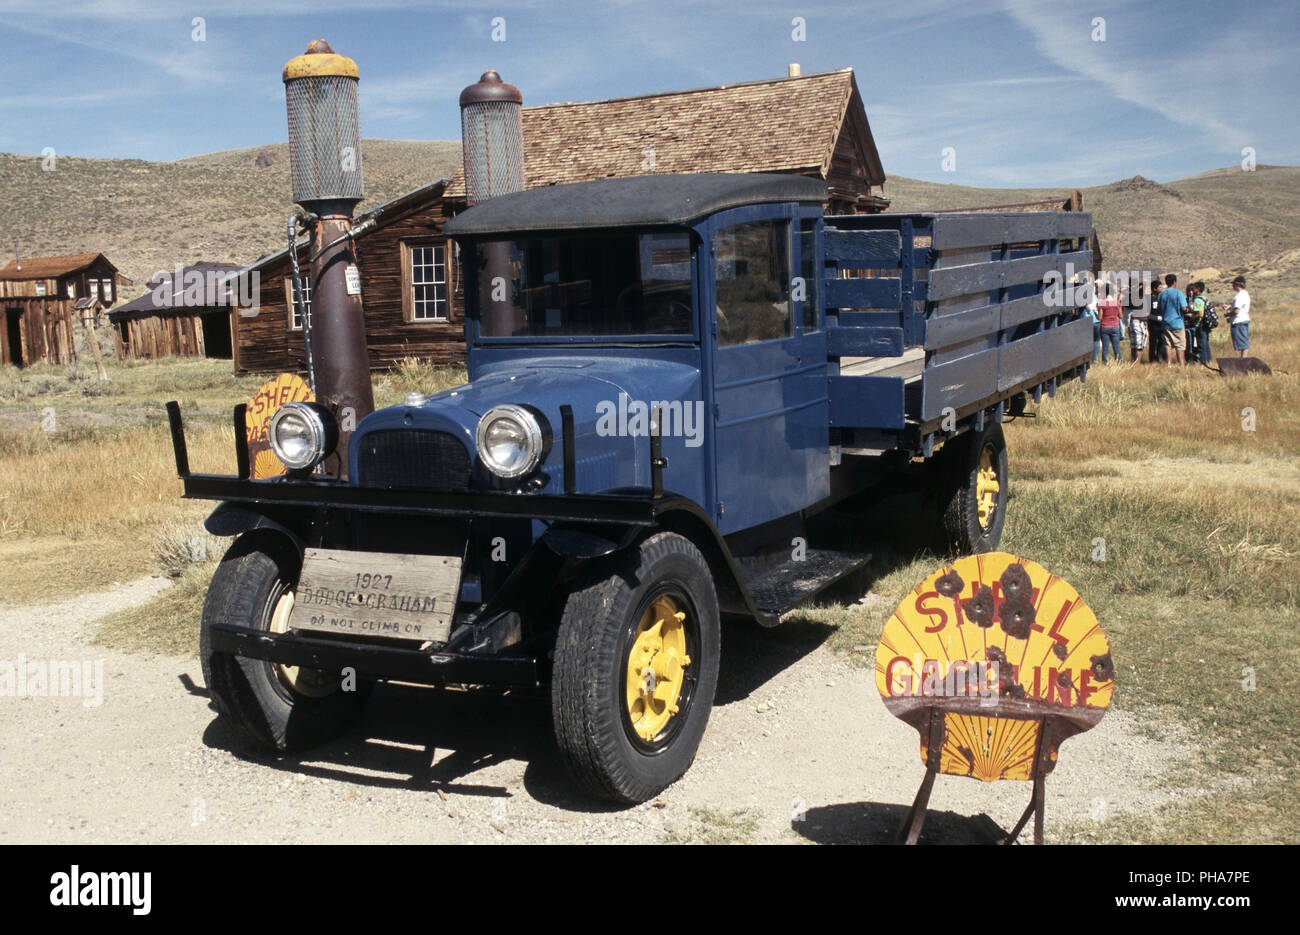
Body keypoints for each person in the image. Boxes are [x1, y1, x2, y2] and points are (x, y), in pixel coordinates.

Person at [1157, 273, 1187, 366]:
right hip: (1177, 322)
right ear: (1175, 282)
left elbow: (1159, 309)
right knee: (1180, 345)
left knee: (1168, 344)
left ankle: (1169, 364)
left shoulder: (1162, 295)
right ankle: (1181, 364)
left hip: (1166, 323)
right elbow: (1184, 308)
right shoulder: (1179, 293)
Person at [1097, 280, 1123, 363]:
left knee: (1105, 348)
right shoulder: (1117, 303)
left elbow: (1100, 317)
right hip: (1115, 326)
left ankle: (1105, 363)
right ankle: (1119, 362)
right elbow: (1121, 316)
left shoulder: (1102, 303)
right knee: (1116, 347)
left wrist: (1096, 313)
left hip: (1105, 326)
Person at [1127, 277, 1149, 362]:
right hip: (1139, 320)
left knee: (1134, 343)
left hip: (1134, 320)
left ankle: (1133, 360)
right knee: (1139, 342)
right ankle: (1138, 362)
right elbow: (1145, 282)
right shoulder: (1137, 294)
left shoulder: (1130, 295)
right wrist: (1139, 284)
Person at [1228, 276, 1251, 357]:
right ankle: (1243, 361)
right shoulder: (1245, 293)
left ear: (1237, 284)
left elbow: (1236, 311)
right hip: (1244, 320)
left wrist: (1228, 315)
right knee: (1244, 342)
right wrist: (1229, 307)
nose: (1232, 286)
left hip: (1239, 322)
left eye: (1233, 284)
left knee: (1243, 344)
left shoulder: (1239, 296)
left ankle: (1243, 362)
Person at [1149, 279, 1166, 363]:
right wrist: (1156, 318)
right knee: (1153, 342)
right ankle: (1152, 359)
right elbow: (1147, 314)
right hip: (1153, 326)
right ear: (1154, 288)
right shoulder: (1149, 299)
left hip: (1161, 325)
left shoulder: (1162, 298)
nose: (1161, 288)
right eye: (1160, 287)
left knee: (1162, 341)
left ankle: (1160, 358)